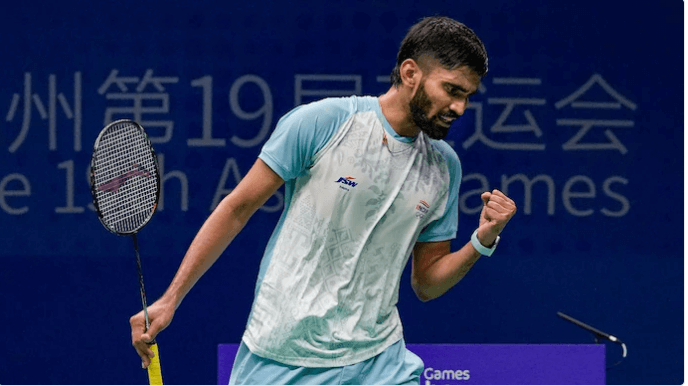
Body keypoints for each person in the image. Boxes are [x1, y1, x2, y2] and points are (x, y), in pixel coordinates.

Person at [130, 15, 517, 385]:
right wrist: (171, 299)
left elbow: (426, 284)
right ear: (410, 72)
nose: (460, 108)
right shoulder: (325, 122)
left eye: (467, 96)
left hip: (379, 360)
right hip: (283, 352)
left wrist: (481, 242)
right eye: (451, 90)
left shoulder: (444, 167)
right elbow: (236, 208)